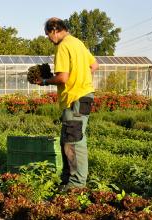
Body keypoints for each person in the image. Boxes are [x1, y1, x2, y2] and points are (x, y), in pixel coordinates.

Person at [35, 17, 99, 189]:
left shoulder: (63, 46)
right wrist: (82, 80)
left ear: (55, 30)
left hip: (75, 98)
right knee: (68, 140)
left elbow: (63, 77)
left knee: (74, 140)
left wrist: (45, 81)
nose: (48, 38)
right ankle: (68, 179)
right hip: (84, 95)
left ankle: (76, 185)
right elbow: (94, 65)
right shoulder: (77, 43)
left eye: (48, 34)